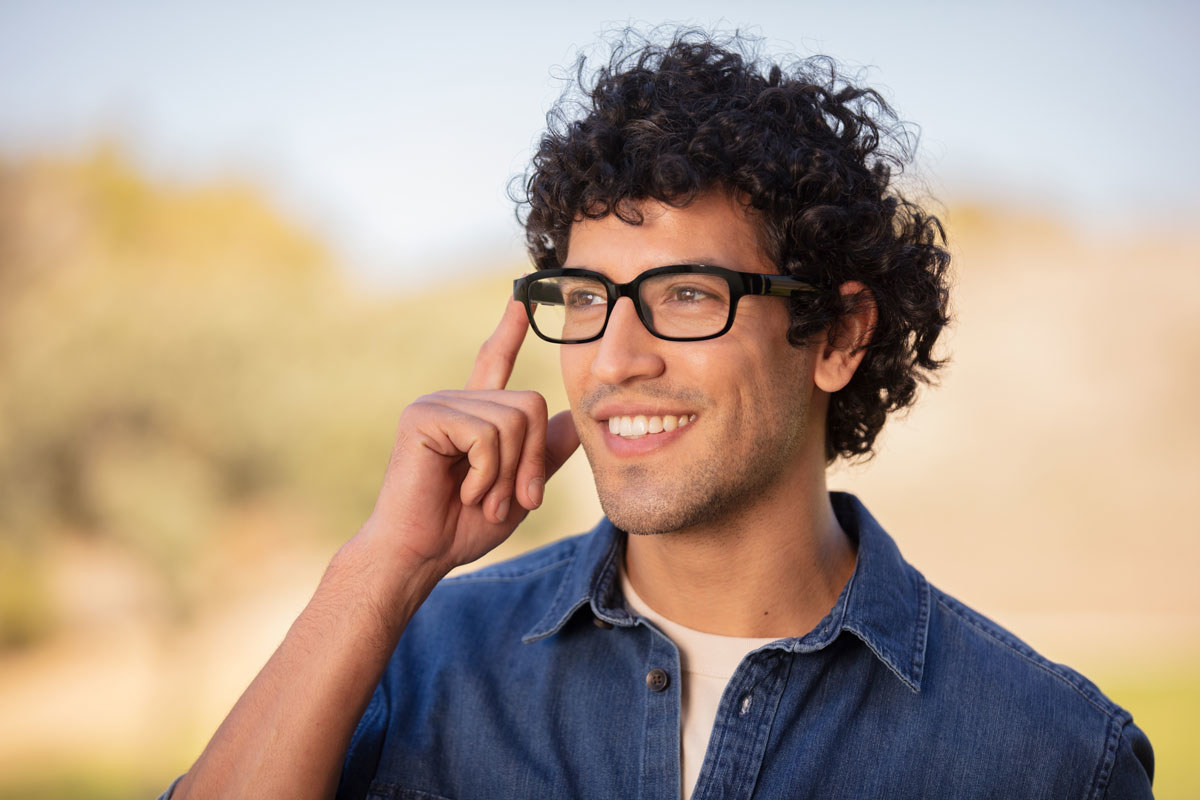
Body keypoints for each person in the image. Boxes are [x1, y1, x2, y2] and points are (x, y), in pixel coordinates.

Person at [164, 29, 1154, 799]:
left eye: (687, 293)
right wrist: (384, 566)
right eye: (587, 298)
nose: (614, 359)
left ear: (839, 335)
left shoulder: (1054, 752)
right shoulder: (415, 649)